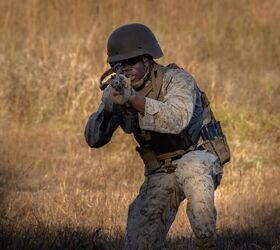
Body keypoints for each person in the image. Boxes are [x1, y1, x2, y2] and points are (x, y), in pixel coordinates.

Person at [85, 23, 230, 250]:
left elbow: (176, 119)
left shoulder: (177, 79)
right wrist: (108, 109)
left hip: (198, 156)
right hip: (161, 171)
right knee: (139, 245)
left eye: (132, 62)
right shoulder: (119, 90)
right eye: (118, 65)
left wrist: (133, 99)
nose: (125, 69)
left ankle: (205, 242)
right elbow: (93, 139)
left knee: (192, 169)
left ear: (148, 59)